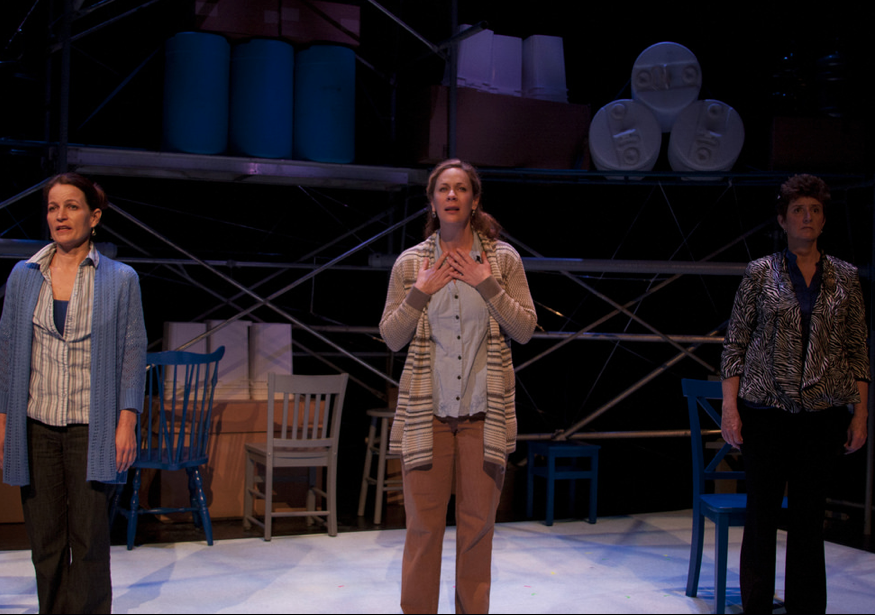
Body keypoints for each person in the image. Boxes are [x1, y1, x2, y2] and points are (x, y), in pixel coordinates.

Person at [379, 159, 536, 614]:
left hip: (482, 419)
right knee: (422, 531)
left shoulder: (502, 260)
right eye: (443, 189)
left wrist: (487, 285)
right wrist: (420, 292)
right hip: (426, 418)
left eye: (461, 188)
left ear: (474, 200)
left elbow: (525, 329)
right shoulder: (412, 264)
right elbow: (391, 336)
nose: (452, 195)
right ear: (432, 201)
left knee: (477, 531)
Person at [720, 174, 869, 613]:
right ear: (783, 220)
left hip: (822, 415)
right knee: (762, 516)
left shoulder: (845, 277)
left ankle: (806, 608)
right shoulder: (759, 273)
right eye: (799, 210)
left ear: (824, 220)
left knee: (808, 518)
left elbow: (857, 350)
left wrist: (860, 415)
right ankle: (756, 606)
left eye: (815, 210)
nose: (808, 217)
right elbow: (735, 344)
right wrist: (730, 409)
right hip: (765, 411)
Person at [0, 172, 147, 614]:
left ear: (94, 216)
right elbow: (8, 350)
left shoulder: (120, 278)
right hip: (37, 424)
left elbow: (132, 352)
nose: (60, 216)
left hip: (92, 425)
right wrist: (4, 422)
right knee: (45, 541)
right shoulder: (25, 275)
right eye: (52, 207)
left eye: (71, 206)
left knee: (88, 540)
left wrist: (127, 421)